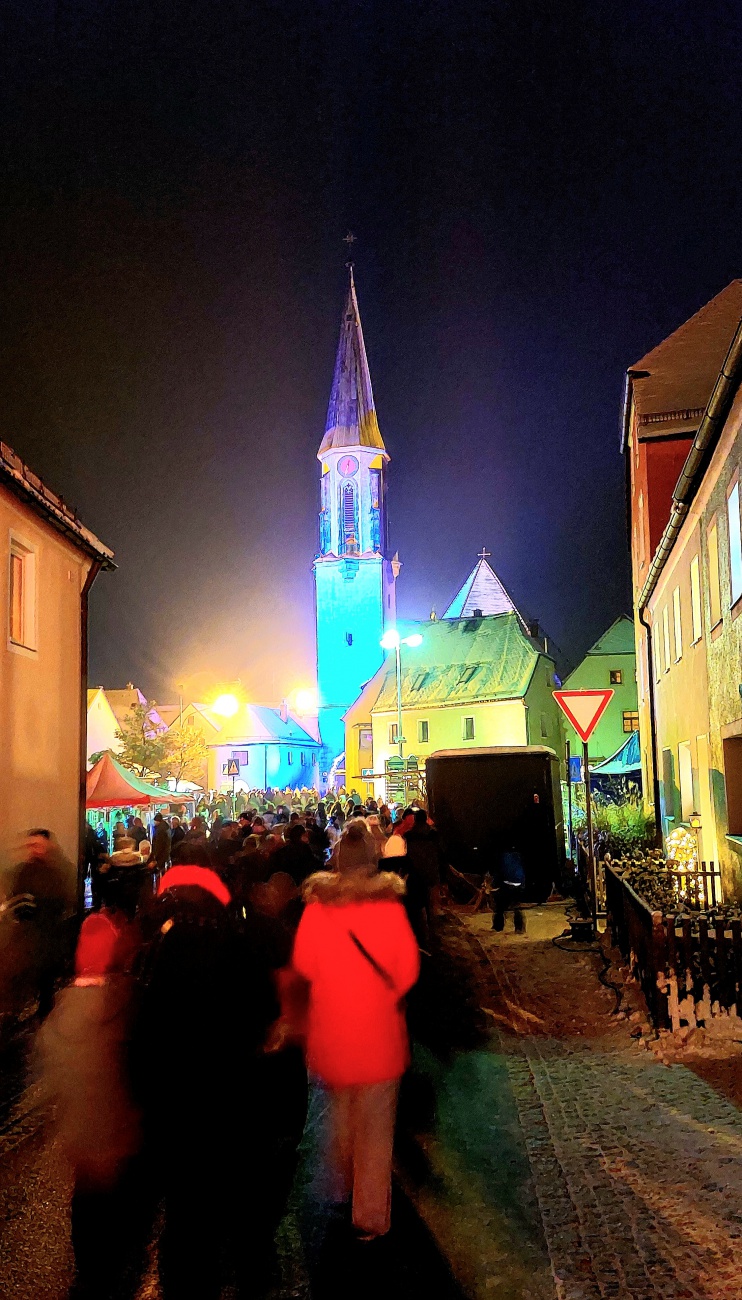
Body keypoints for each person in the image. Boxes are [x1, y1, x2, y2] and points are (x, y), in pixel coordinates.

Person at [132, 841, 295, 1298]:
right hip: (236, 1113)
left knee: (189, 1231)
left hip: (182, 1117)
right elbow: (270, 1033)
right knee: (246, 1235)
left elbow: (143, 1041)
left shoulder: (157, 948)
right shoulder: (246, 940)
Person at [293, 821, 419, 1241]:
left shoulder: (318, 909)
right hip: (380, 1039)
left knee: (340, 1124)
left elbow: (305, 966)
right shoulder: (389, 909)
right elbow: (406, 973)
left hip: (333, 1036)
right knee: (376, 1132)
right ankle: (368, 1217)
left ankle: (336, 1194)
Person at [36, 872, 145, 1299]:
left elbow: (49, 1069)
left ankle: (90, 1272)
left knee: (87, 1207)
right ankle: (110, 1273)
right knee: (117, 1213)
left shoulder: (64, 1012)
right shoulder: (126, 1002)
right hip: (120, 1135)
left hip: (83, 1136)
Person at [4, 829, 76, 1018]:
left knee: (45, 985)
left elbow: (64, 902)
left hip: (47, 939)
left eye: (37, 845)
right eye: (31, 846)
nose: (34, 850)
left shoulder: (57, 872)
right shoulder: (24, 871)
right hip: (29, 938)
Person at [403, 809, 445, 945]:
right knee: (431, 901)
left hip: (415, 871)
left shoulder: (409, 835)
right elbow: (440, 851)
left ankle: (420, 933)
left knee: (417, 903)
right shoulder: (433, 834)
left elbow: (407, 854)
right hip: (431, 869)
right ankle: (431, 929)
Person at [490, 845, 527, 934]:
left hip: (507, 883)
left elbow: (499, 872)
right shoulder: (517, 856)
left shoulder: (503, 857)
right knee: (516, 906)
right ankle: (519, 928)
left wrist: (495, 884)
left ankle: (498, 927)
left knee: (500, 907)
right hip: (519, 883)